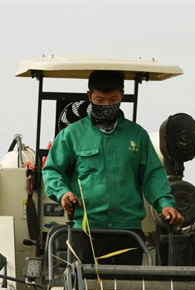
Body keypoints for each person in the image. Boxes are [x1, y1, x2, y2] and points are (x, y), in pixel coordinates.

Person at [43, 70, 184, 265]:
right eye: (100, 100)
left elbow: (153, 175)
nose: (106, 105)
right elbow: (52, 170)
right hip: (85, 230)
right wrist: (62, 193)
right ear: (89, 96)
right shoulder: (72, 135)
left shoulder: (137, 135)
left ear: (122, 96)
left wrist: (165, 204)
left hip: (127, 231)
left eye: (113, 100)